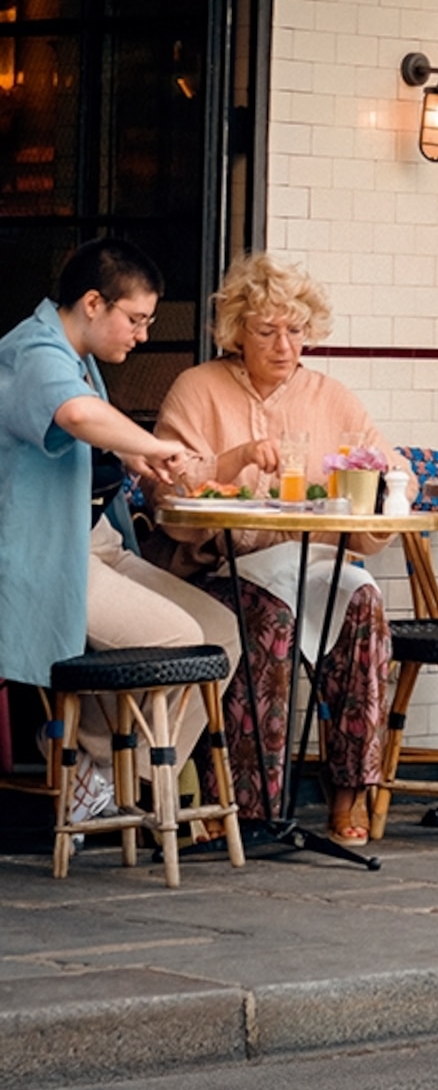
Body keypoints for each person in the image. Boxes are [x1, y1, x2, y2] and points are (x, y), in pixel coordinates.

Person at [148, 253, 395, 848]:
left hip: (311, 562)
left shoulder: (332, 398)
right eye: (267, 331)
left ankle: (349, 790)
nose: (285, 345)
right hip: (218, 569)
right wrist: (229, 465)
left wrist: (377, 489)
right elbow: (167, 493)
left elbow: (381, 481)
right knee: (267, 618)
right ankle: (244, 800)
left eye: (296, 329)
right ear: (237, 332)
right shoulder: (197, 388)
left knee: (364, 605)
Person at [0, 238, 238, 832]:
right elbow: (75, 415)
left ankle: (114, 781)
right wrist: (153, 444)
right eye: (135, 319)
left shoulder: (75, 356)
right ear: (92, 303)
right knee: (177, 638)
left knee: (221, 633)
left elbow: (88, 424)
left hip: (95, 545)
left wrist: (131, 458)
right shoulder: (33, 348)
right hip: (44, 552)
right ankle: (99, 770)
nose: (143, 335)